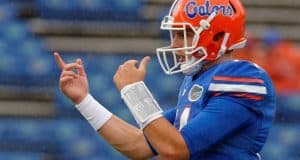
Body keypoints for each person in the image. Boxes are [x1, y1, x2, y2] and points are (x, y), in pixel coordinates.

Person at [54, 0, 276, 159]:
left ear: (219, 36)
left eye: (185, 34)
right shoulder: (196, 81)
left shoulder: (243, 78)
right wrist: (84, 100)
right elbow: (138, 145)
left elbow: (175, 149)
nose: (175, 44)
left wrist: (134, 91)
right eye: (175, 34)